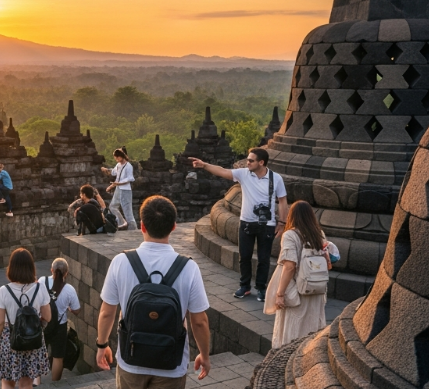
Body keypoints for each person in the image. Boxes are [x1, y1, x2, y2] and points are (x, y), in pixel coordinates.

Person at [96, 196, 211, 389]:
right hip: (171, 363)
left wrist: (102, 345)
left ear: (142, 226)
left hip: (131, 359)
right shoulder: (189, 268)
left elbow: (107, 312)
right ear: (173, 226)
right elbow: (199, 321)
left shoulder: (121, 262)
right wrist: (204, 355)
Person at [190, 147, 287, 302]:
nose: (247, 162)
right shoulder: (244, 174)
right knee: (245, 256)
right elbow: (222, 171)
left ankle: (261, 288)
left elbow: (282, 201)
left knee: (264, 258)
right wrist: (205, 165)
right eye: (248, 160)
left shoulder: (276, 178)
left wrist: (282, 222)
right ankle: (245, 286)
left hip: (266, 223)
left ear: (261, 162)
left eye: (251, 160)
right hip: (246, 221)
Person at [267, 201, 329, 348]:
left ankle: (290, 358)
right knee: (312, 330)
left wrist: (280, 294)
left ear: (292, 216)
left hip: (297, 289)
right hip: (316, 288)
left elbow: (289, 266)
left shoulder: (290, 235)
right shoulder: (319, 234)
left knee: (293, 330)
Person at [0, 248, 52, 389]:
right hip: (32, 339)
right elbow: (48, 317)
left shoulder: (4, 291)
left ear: (11, 267)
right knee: (27, 383)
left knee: (7, 381)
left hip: (10, 339)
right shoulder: (40, 288)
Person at [37, 258, 80, 382]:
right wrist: (68, 308)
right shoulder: (69, 289)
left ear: (52, 270)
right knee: (58, 356)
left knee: (39, 353)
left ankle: (37, 382)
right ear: (66, 273)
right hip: (60, 326)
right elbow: (77, 310)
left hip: (42, 324)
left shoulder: (42, 281)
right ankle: (55, 383)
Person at [101, 149, 136, 230]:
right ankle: (122, 223)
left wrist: (119, 183)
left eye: (117, 157)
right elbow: (114, 173)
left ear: (121, 156)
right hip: (118, 189)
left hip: (125, 190)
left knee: (127, 210)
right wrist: (106, 170)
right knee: (113, 206)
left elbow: (130, 178)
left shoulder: (128, 166)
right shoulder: (118, 165)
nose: (116, 159)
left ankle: (133, 228)